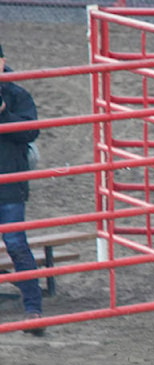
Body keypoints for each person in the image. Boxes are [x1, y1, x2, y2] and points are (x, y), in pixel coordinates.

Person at [0, 43, 43, 336]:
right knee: (17, 242)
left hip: (10, 183)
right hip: (11, 182)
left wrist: (3, 115)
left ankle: (33, 308)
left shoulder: (16, 94)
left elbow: (31, 131)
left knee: (16, 243)